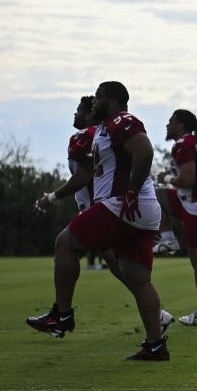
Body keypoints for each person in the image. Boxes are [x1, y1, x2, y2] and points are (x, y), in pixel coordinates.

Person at [28, 81, 173, 360]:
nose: (94, 102)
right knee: (138, 278)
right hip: (139, 210)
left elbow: (145, 151)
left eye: (99, 97)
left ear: (114, 101)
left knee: (65, 244)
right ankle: (156, 345)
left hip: (122, 204)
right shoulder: (104, 130)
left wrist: (130, 191)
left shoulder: (122, 120)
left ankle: (62, 315)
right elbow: (84, 177)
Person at [156, 110, 197, 326]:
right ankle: (167, 239)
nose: (167, 125)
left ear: (181, 126)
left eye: (170, 121)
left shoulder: (184, 143)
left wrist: (167, 177)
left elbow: (187, 180)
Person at [64, 95, 110, 271]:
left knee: (64, 246)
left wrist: (52, 197)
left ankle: (63, 300)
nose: (75, 114)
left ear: (90, 114)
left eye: (78, 111)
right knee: (116, 262)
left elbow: (81, 178)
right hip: (107, 205)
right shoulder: (105, 134)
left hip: (96, 207)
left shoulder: (84, 136)